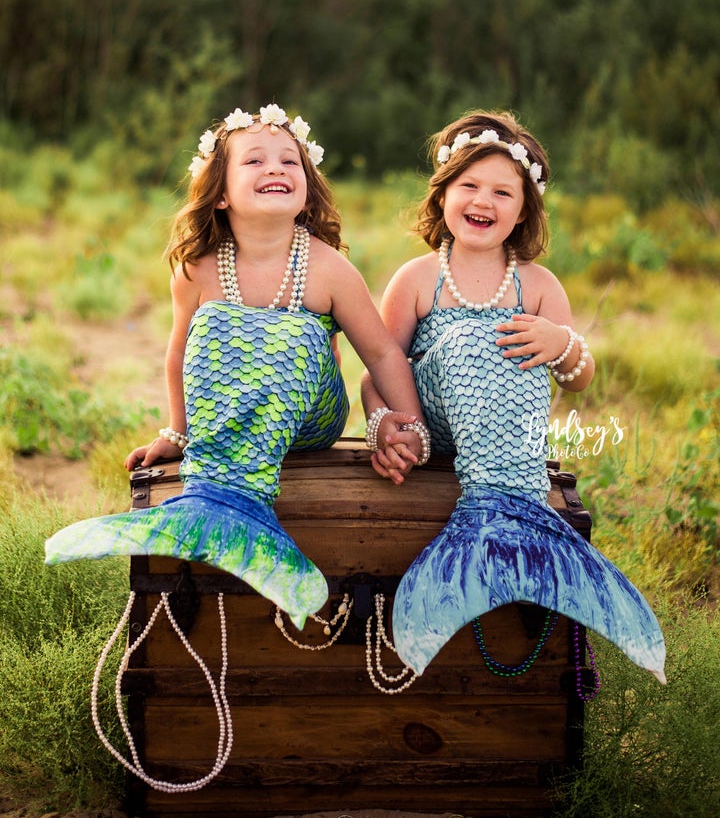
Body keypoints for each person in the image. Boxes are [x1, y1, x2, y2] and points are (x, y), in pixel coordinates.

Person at [45, 104, 428, 631]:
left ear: (307, 188)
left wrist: (407, 425)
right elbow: (180, 352)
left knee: (289, 331)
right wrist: (177, 432)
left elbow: (382, 352)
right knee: (214, 325)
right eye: (255, 160)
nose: (275, 168)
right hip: (223, 422)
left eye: (289, 161)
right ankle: (208, 504)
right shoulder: (199, 268)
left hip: (306, 419)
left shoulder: (328, 269)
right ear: (221, 192)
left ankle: (242, 505)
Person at [361, 109, 666, 683]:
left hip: (506, 437)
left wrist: (562, 344)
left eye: (503, 192)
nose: (484, 200)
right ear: (444, 194)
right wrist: (384, 425)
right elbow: (378, 370)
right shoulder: (417, 278)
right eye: (469, 186)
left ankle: (511, 516)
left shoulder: (540, 285)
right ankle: (495, 513)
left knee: (521, 341)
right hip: (436, 425)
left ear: (523, 210)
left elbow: (580, 379)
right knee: (473, 338)